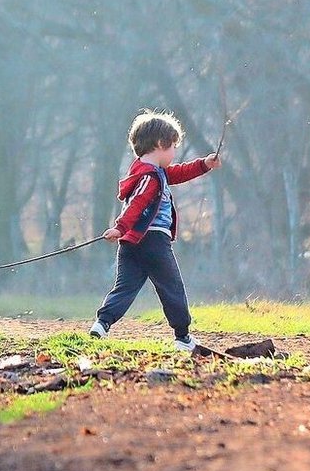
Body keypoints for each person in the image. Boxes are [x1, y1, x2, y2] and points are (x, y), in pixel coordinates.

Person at [88, 109, 220, 351]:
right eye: (173, 147)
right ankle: (183, 337)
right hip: (153, 242)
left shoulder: (149, 172)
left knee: (125, 287)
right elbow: (137, 204)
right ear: (161, 144)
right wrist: (119, 227)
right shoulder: (150, 177)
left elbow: (179, 172)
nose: (174, 153)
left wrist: (204, 165)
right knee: (172, 287)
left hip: (130, 245)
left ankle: (102, 323)